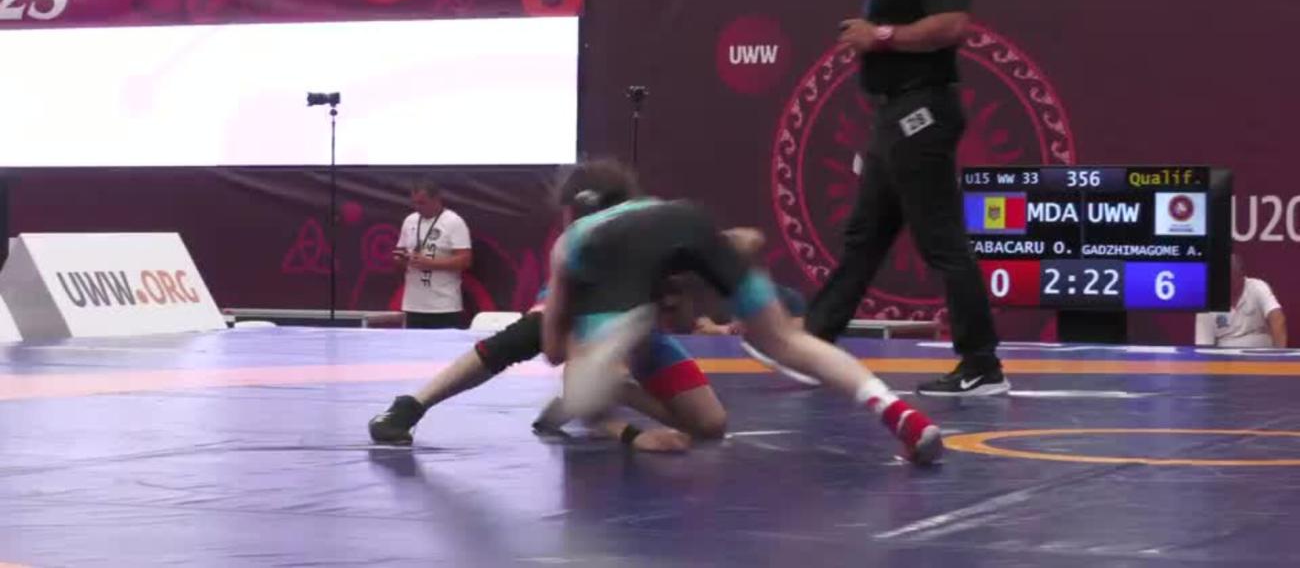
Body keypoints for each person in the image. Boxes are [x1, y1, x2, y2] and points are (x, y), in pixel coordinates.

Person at [540, 158, 944, 464]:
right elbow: (744, 243)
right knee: (786, 340)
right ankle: (899, 413)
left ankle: (616, 353)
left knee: (587, 381)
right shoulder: (653, 208)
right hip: (688, 221)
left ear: (569, 211)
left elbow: (554, 351)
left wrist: (582, 332)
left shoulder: (573, 241)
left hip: (621, 293)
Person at [800, 0, 1007, 396]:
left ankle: (982, 363)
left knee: (940, 237)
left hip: (922, 110)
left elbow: (953, 25)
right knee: (865, 236)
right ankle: (813, 344)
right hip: (896, 111)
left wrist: (881, 36)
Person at [368, 278, 728, 452]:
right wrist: (632, 434)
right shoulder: (588, 297)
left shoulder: (675, 270)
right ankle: (411, 405)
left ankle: (578, 402)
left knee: (711, 425)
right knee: (527, 338)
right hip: (581, 310)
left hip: (632, 318)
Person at [392, 179, 472, 329]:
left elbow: (465, 260)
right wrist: (401, 259)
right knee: (413, 344)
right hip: (413, 305)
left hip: (444, 306)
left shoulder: (454, 222)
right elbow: (400, 252)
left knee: (445, 345)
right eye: (415, 203)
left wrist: (430, 264)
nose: (417, 207)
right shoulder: (410, 221)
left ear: (436, 199)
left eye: (422, 203)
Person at [1195, 254, 1287, 349]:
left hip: (1262, 352)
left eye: (1231, 276)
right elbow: (1203, 346)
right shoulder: (1206, 302)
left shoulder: (1258, 287)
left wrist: (1279, 354)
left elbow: (1277, 319)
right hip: (1226, 354)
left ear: (1241, 274)